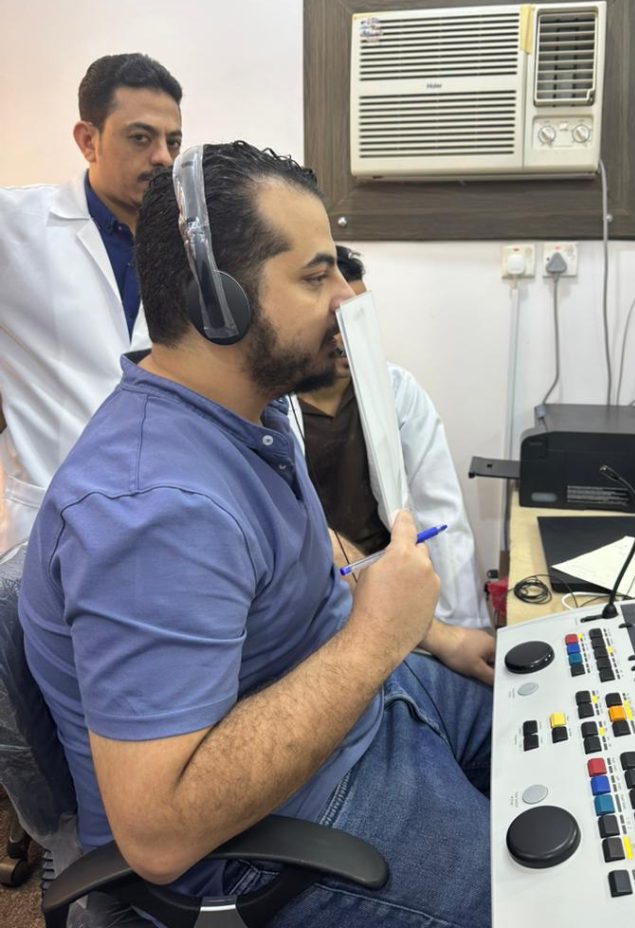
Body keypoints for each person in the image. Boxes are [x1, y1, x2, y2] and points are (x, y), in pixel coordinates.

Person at [19, 142, 495, 928]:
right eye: (315, 277)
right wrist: (378, 639)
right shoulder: (153, 512)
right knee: (554, 902)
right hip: (276, 837)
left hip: (362, 710)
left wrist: (433, 633)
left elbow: (295, 549)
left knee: (571, 741)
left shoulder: (250, 411)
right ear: (220, 304)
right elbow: (159, 834)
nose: (347, 299)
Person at [0, 53, 183, 552]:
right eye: (141, 138)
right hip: (47, 520)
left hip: (160, 518)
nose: (163, 158)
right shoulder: (15, 224)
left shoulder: (191, 244)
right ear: (88, 140)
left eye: (173, 142)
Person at [290, 246, 490, 629]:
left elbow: (441, 512)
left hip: (396, 589)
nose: (348, 337)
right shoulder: (269, 411)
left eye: (359, 318)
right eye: (336, 322)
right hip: (311, 605)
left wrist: (462, 628)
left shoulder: (397, 391)